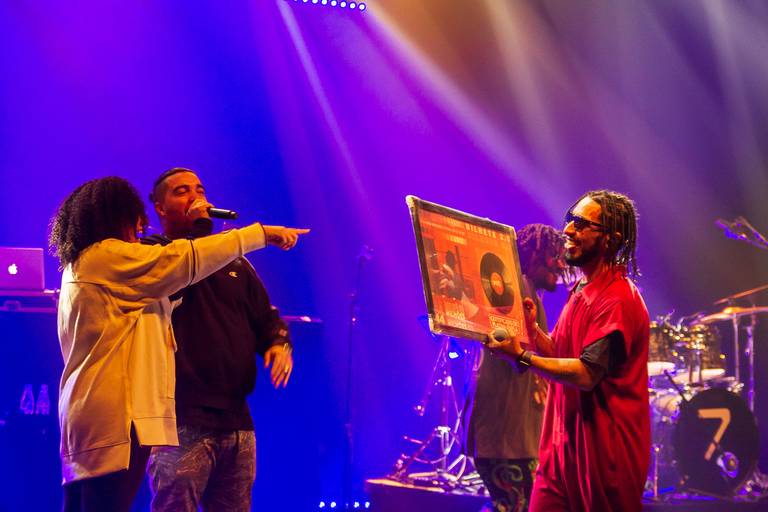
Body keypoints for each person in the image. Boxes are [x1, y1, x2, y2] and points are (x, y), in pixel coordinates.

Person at [49, 176, 308, 512]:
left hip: (114, 412)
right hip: (119, 414)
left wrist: (277, 342)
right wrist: (258, 233)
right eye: (135, 219)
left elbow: (253, 309)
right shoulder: (110, 258)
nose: (140, 227)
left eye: (200, 189)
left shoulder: (96, 264)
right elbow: (183, 261)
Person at [143, 168, 296, 511]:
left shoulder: (235, 261)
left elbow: (266, 317)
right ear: (160, 207)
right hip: (180, 419)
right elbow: (187, 268)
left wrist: (277, 343)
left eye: (199, 189)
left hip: (236, 420)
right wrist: (200, 226)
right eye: (182, 191)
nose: (195, 196)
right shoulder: (153, 254)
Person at [487, 190, 650, 512]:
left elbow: (587, 373)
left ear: (611, 239)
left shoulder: (618, 298)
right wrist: (533, 331)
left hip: (604, 457)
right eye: (570, 220)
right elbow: (560, 352)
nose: (568, 230)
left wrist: (521, 356)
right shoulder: (582, 289)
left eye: (582, 224)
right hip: (562, 448)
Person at [465, 224, 566, 512]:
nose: (561, 265)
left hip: (514, 435)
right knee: (513, 505)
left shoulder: (529, 293)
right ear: (533, 255)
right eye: (554, 256)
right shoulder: (516, 288)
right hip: (505, 435)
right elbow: (510, 351)